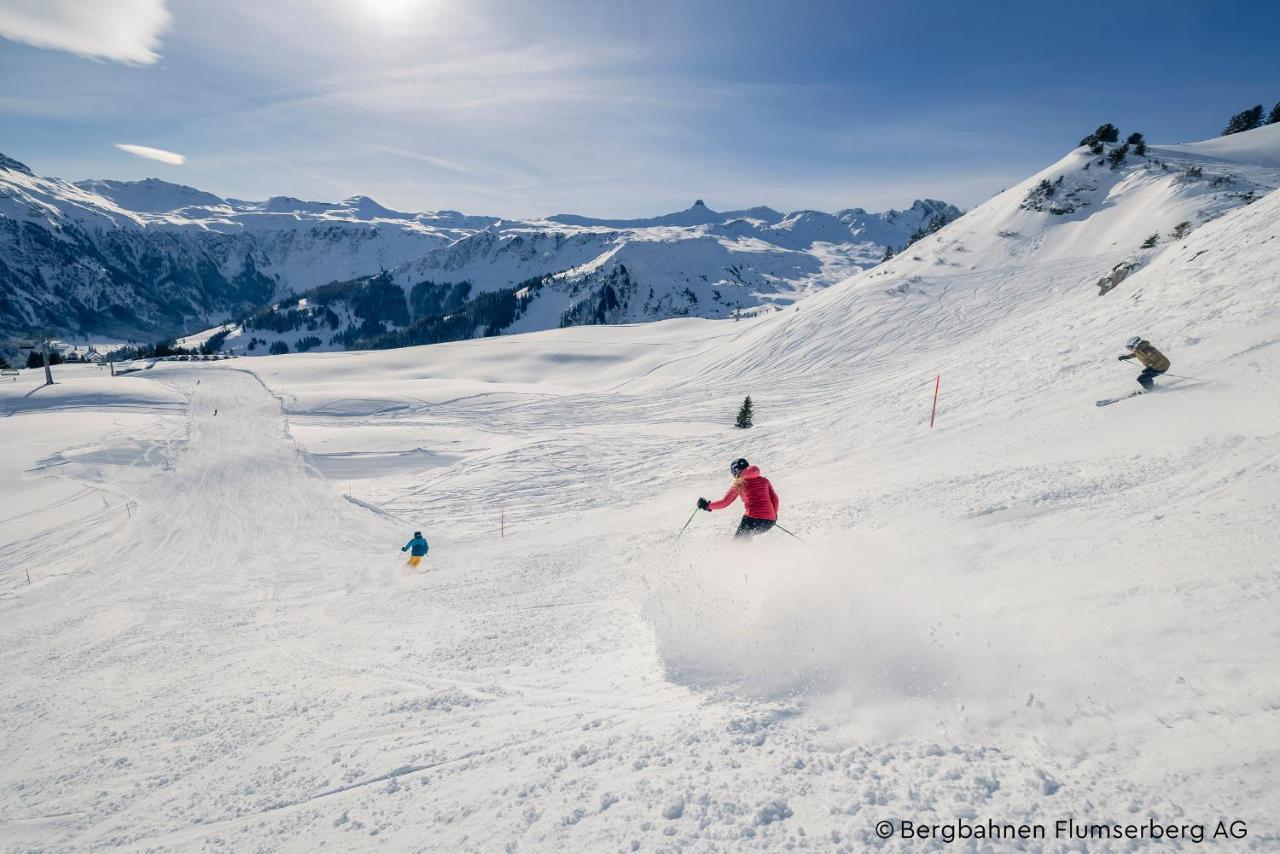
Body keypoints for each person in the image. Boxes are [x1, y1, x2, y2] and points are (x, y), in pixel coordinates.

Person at [697, 458, 780, 539]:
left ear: (735, 472)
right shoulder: (764, 480)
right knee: (745, 540)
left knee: (738, 545)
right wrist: (773, 516)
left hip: (752, 520)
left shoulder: (739, 483)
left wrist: (706, 506)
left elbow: (724, 502)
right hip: (769, 522)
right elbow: (775, 499)